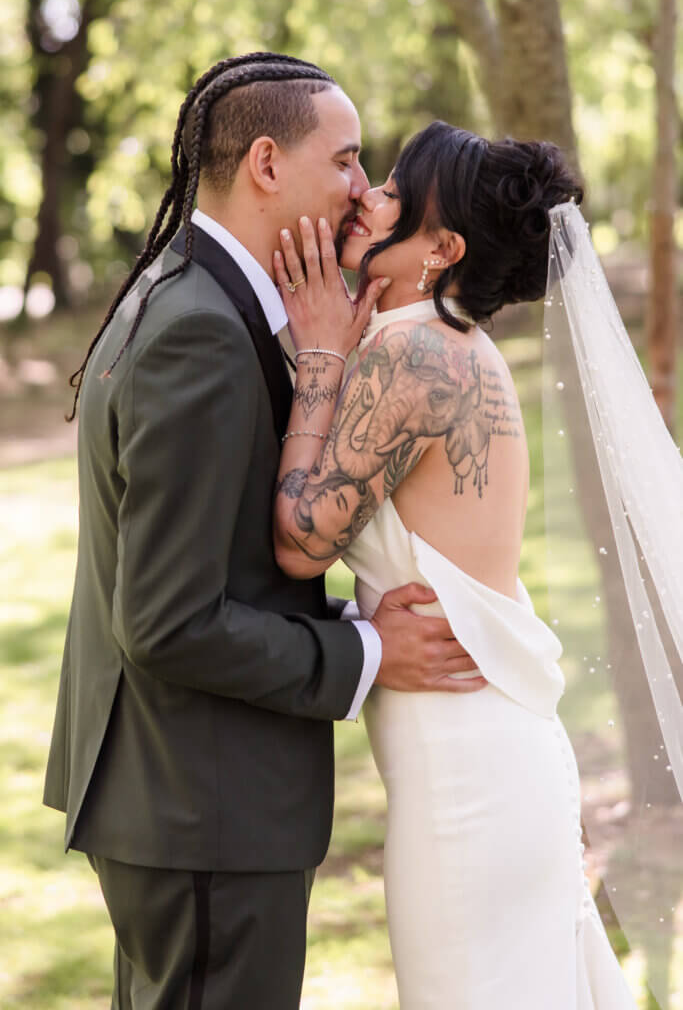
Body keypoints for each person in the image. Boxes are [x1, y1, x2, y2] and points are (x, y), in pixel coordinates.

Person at [43, 59, 486, 1010]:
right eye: (346, 160)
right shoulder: (200, 331)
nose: (362, 190)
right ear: (267, 164)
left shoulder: (184, 296)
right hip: (205, 805)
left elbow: (215, 564)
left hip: (181, 800)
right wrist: (368, 652)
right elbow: (167, 621)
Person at [272, 120, 641, 1007]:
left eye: (394, 194)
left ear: (441, 249)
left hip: (462, 778)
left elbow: (298, 540)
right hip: (492, 752)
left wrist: (319, 357)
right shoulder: (449, 345)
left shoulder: (414, 354)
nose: (367, 197)